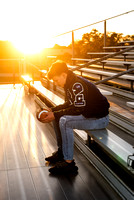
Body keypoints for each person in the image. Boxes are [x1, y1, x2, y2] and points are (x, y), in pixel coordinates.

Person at [38, 60, 110, 175]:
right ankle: (62, 153)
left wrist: (55, 114)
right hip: (89, 115)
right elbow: (69, 104)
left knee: (65, 121)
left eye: (56, 80)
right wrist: (53, 110)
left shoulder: (77, 84)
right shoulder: (69, 83)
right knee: (58, 117)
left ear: (63, 75)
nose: (55, 83)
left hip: (99, 119)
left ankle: (69, 163)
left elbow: (78, 109)